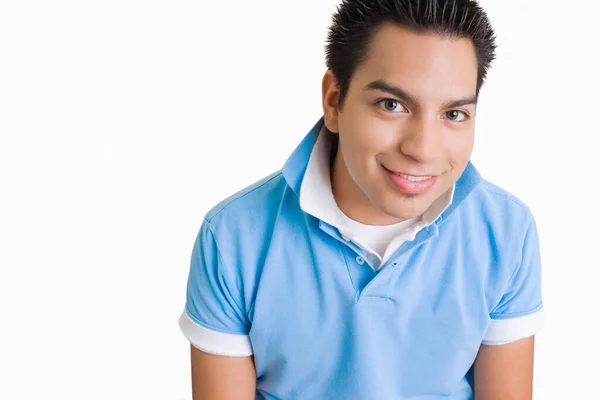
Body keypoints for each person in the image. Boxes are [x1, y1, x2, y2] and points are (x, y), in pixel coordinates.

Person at [178, 0, 545, 398]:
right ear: (335, 101)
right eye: (392, 105)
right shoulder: (233, 236)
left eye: (453, 114)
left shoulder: (506, 232)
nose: (423, 149)